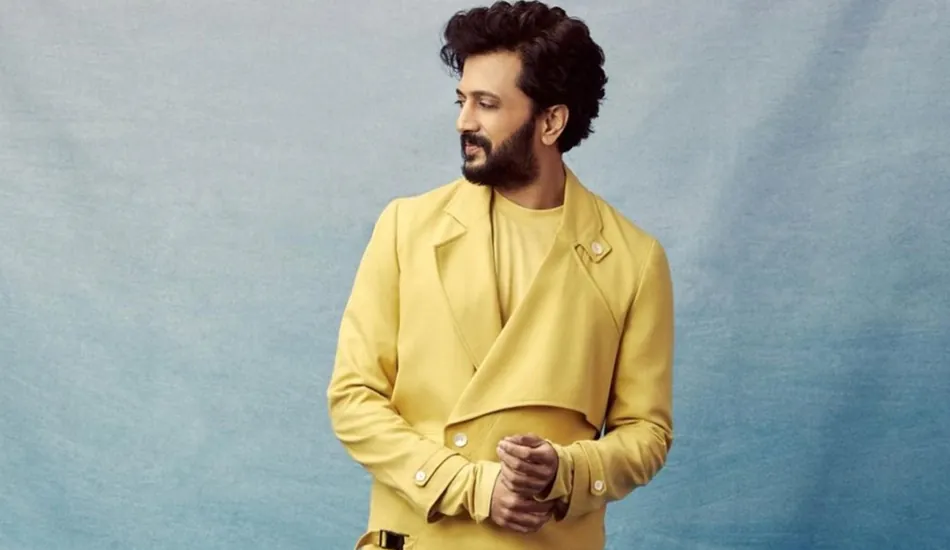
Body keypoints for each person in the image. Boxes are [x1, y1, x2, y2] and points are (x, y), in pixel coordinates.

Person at [326, 1, 674, 548]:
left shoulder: (632, 260)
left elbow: (646, 433)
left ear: (551, 121)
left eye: (486, 104)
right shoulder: (406, 228)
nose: (464, 121)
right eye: (462, 100)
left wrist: (566, 471)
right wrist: (472, 486)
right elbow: (354, 397)